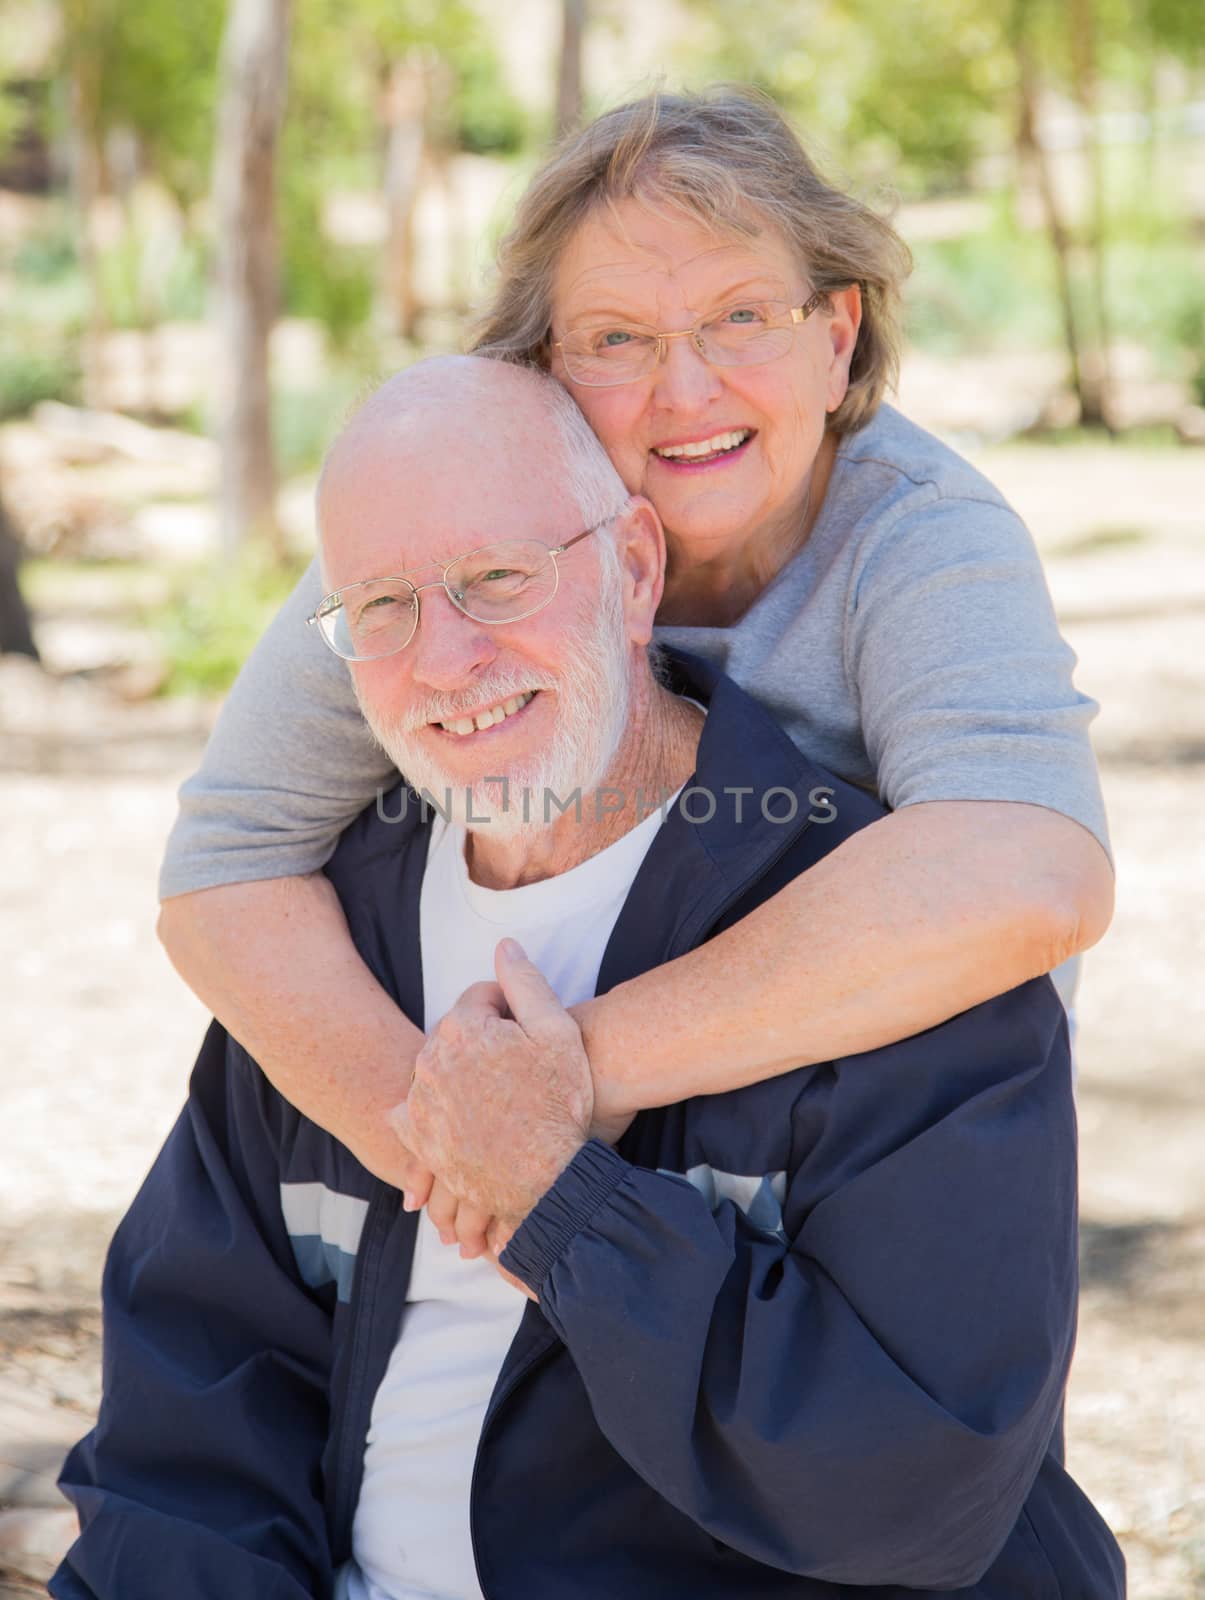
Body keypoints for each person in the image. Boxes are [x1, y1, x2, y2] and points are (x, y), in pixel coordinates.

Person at [54, 358, 1123, 1600]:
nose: (445, 659)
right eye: (382, 607)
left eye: (498, 579)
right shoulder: (332, 947)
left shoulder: (885, 943)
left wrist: (566, 1208)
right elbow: (188, 1431)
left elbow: (912, 1498)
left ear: (631, 571)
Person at [156, 87, 1114, 1241]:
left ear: (837, 337)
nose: (687, 389)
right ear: (542, 369)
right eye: (615, 339)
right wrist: (451, 1155)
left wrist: (565, 1081)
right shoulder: (458, 551)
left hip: (878, 1173)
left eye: (743, 317)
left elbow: (1032, 867)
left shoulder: (920, 540)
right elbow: (223, 868)